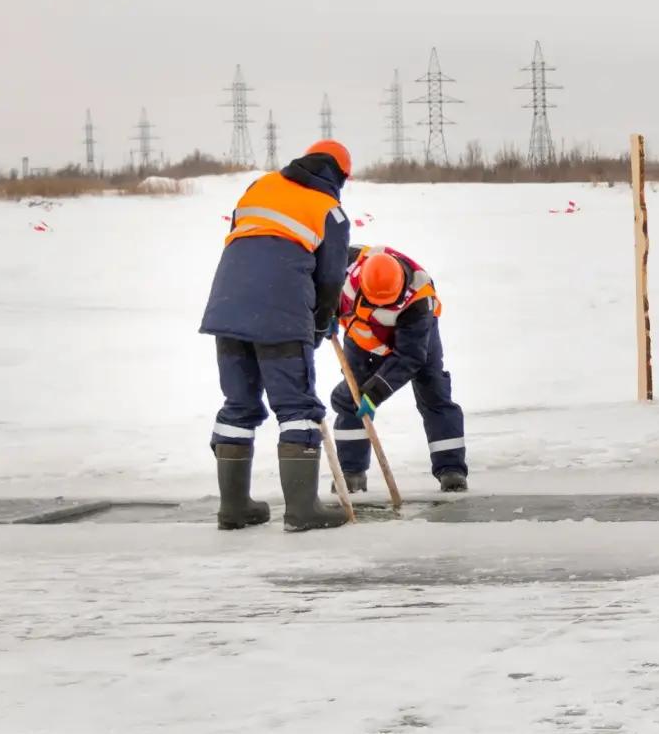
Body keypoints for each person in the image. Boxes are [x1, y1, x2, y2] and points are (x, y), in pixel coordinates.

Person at [199, 140, 354, 530]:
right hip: (281, 311)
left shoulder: (260, 185)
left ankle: (233, 509)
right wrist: (321, 322)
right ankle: (303, 511)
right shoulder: (329, 211)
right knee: (296, 406)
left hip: (228, 304)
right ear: (339, 175)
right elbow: (332, 278)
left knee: (238, 404)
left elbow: (242, 236)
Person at [328, 243, 470, 493]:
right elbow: (315, 278)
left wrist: (375, 393)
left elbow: (409, 358)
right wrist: (321, 315)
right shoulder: (346, 264)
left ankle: (451, 470)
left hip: (413, 340)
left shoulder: (419, 297)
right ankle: (352, 474)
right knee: (352, 397)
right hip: (361, 335)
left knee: (433, 389)